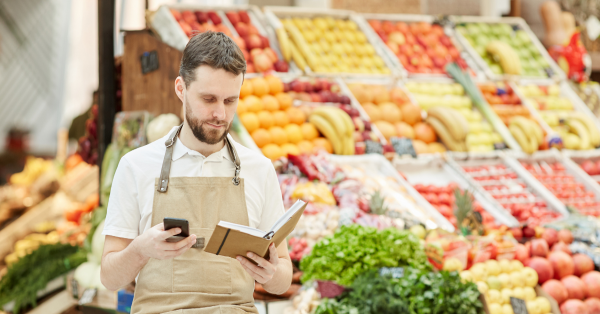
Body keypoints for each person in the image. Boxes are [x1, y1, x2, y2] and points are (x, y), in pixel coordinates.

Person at [100, 31, 292, 314]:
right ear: (181, 88)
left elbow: (284, 275)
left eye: (230, 101)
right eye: (209, 99)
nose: (221, 115)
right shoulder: (136, 165)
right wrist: (140, 250)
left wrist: (271, 274)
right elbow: (109, 278)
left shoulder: (259, 169)